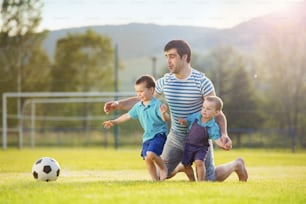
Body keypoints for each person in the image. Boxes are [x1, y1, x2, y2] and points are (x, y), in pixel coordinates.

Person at [104, 40, 248, 182]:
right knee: (161, 175)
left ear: (184, 57)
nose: (168, 61)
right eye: (166, 56)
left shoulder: (202, 81)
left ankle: (237, 164)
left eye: (172, 56)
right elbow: (143, 99)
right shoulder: (166, 82)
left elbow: (218, 112)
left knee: (208, 179)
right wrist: (117, 104)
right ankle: (182, 166)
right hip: (176, 136)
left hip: (199, 137)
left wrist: (223, 134)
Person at [103, 74, 170, 181]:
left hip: (159, 135)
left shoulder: (157, 104)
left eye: (141, 91)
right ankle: (155, 181)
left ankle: (163, 168)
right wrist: (114, 122)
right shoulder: (138, 106)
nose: (139, 94)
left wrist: (163, 113)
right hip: (147, 137)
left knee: (151, 153)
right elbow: (127, 116)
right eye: (137, 92)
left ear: (151, 90)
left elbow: (166, 119)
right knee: (147, 159)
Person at [174, 96, 227, 181]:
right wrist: (184, 121)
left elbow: (216, 138)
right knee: (186, 165)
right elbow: (188, 121)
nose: (204, 110)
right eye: (203, 107)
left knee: (199, 162)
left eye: (208, 109)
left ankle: (200, 182)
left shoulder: (213, 126)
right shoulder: (196, 117)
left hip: (201, 147)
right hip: (189, 145)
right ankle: (192, 180)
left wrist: (222, 144)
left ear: (216, 112)